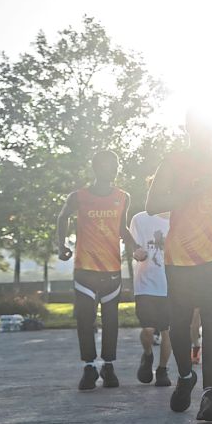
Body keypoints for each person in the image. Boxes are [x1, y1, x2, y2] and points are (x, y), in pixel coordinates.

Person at [146, 110, 212, 423]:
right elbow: (152, 204)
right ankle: (186, 375)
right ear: (187, 129)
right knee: (180, 323)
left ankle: (210, 393)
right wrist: (190, 192)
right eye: (199, 126)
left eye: (211, 126)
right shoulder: (173, 162)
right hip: (181, 257)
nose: (206, 132)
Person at [55, 152, 135, 390]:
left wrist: (136, 247)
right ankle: (89, 367)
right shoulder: (78, 197)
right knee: (85, 320)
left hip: (112, 269)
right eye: (106, 165)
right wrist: (61, 245)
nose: (111, 169)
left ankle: (108, 366)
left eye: (115, 165)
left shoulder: (123, 197)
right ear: (95, 168)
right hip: (85, 269)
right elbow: (62, 217)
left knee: (111, 321)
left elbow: (123, 228)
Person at [129, 203, 172, 386]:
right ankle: (147, 356)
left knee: (167, 332)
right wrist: (136, 253)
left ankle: (162, 370)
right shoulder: (141, 219)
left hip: (171, 286)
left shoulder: (181, 220)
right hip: (145, 284)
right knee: (147, 331)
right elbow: (133, 246)